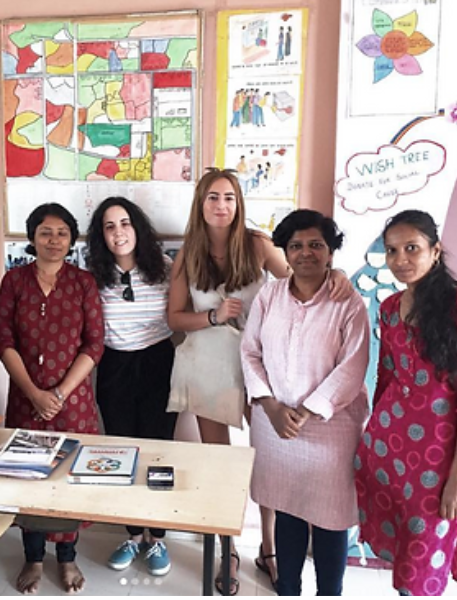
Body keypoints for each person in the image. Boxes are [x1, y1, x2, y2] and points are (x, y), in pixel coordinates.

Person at [167, 168, 351, 594]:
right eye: (213, 197)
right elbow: (174, 318)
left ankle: (269, 547)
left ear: (239, 203)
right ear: (200, 204)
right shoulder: (188, 253)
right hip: (207, 365)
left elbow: (303, 278)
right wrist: (213, 316)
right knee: (221, 465)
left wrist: (336, 274)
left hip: (266, 367)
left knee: (269, 462)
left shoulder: (257, 244)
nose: (221, 205)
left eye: (229, 197)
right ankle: (227, 551)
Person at [355, 210, 457, 596]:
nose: (400, 259)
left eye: (412, 248)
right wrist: (370, 440)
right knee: (403, 548)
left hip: (437, 459)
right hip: (388, 448)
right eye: (391, 251)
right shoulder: (389, 308)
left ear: (435, 251)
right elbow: (386, 377)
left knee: (423, 561)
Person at [241, 210, 370, 596]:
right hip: (274, 425)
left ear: (330, 251)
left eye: (316, 244)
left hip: (331, 429)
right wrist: (271, 406)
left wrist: (307, 410)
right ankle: (288, 589)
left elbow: (353, 366)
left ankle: (329, 592)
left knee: (331, 517)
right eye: (296, 246)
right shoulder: (270, 295)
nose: (305, 253)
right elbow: (249, 352)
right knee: (286, 509)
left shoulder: (348, 302)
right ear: (285, 252)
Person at [0, 203, 104, 594]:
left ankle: (68, 558)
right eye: (45, 232)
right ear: (32, 237)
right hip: (26, 399)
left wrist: (58, 393)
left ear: (71, 240)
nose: (54, 240)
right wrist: (34, 393)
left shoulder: (83, 282)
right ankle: (33, 558)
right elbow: (3, 340)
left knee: (69, 478)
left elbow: (94, 343)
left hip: (73, 401)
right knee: (30, 478)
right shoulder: (14, 280)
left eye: (62, 233)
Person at [86, 197, 178, 577]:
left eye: (125, 223)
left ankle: (157, 537)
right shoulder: (93, 276)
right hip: (114, 365)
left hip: (158, 362)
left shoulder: (166, 268)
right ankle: (132, 535)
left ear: (137, 227)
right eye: (109, 226)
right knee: (122, 452)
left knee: (159, 451)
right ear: (101, 236)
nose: (119, 232)